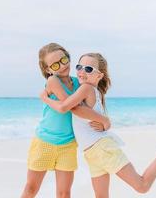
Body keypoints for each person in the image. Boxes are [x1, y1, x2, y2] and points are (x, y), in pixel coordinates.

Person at [40, 52, 156, 198]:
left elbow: (66, 107)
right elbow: (89, 114)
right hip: (92, 152)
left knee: (142, 186)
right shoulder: (92, 91)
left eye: (88, 69)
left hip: (102, 149)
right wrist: (105, 123)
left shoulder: (86, 88)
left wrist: (45, 98)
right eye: (79, 67)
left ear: (99, 76)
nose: (82, 72)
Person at [21, 44, 110, 198]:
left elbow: (92, 106)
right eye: (55, 65)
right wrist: (104, 120)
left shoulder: (79, 82)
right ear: (48, 70)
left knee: (64, 193)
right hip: (45, 142)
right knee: (31, 188)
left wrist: (104, 122)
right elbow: (70, 107)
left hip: (68, 145)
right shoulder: (53, 81)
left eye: (64, 60)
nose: (62, 66)